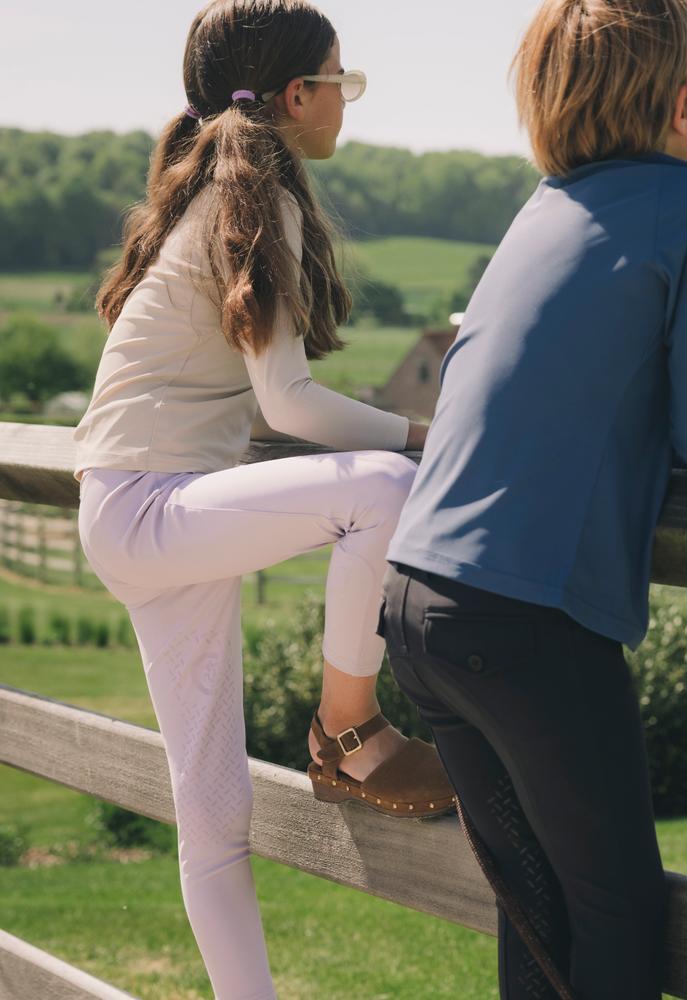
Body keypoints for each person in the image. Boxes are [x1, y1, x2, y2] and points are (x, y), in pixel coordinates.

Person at [73, 2, 454, 997]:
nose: (346, 100)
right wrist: (430, 435)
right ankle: (349, 733)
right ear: (297, 96)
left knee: (214, 817)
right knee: (387, 488)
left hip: (133, 512)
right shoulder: (254, 200)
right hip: (156, 509)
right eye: (341, 82)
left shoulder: (203, 194)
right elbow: (287, 402)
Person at [377, 0, 687, 996]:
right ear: (683, 101)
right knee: (620, 910)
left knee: (539, 908)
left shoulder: (542, 207)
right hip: (524, 620)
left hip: (418, 603)